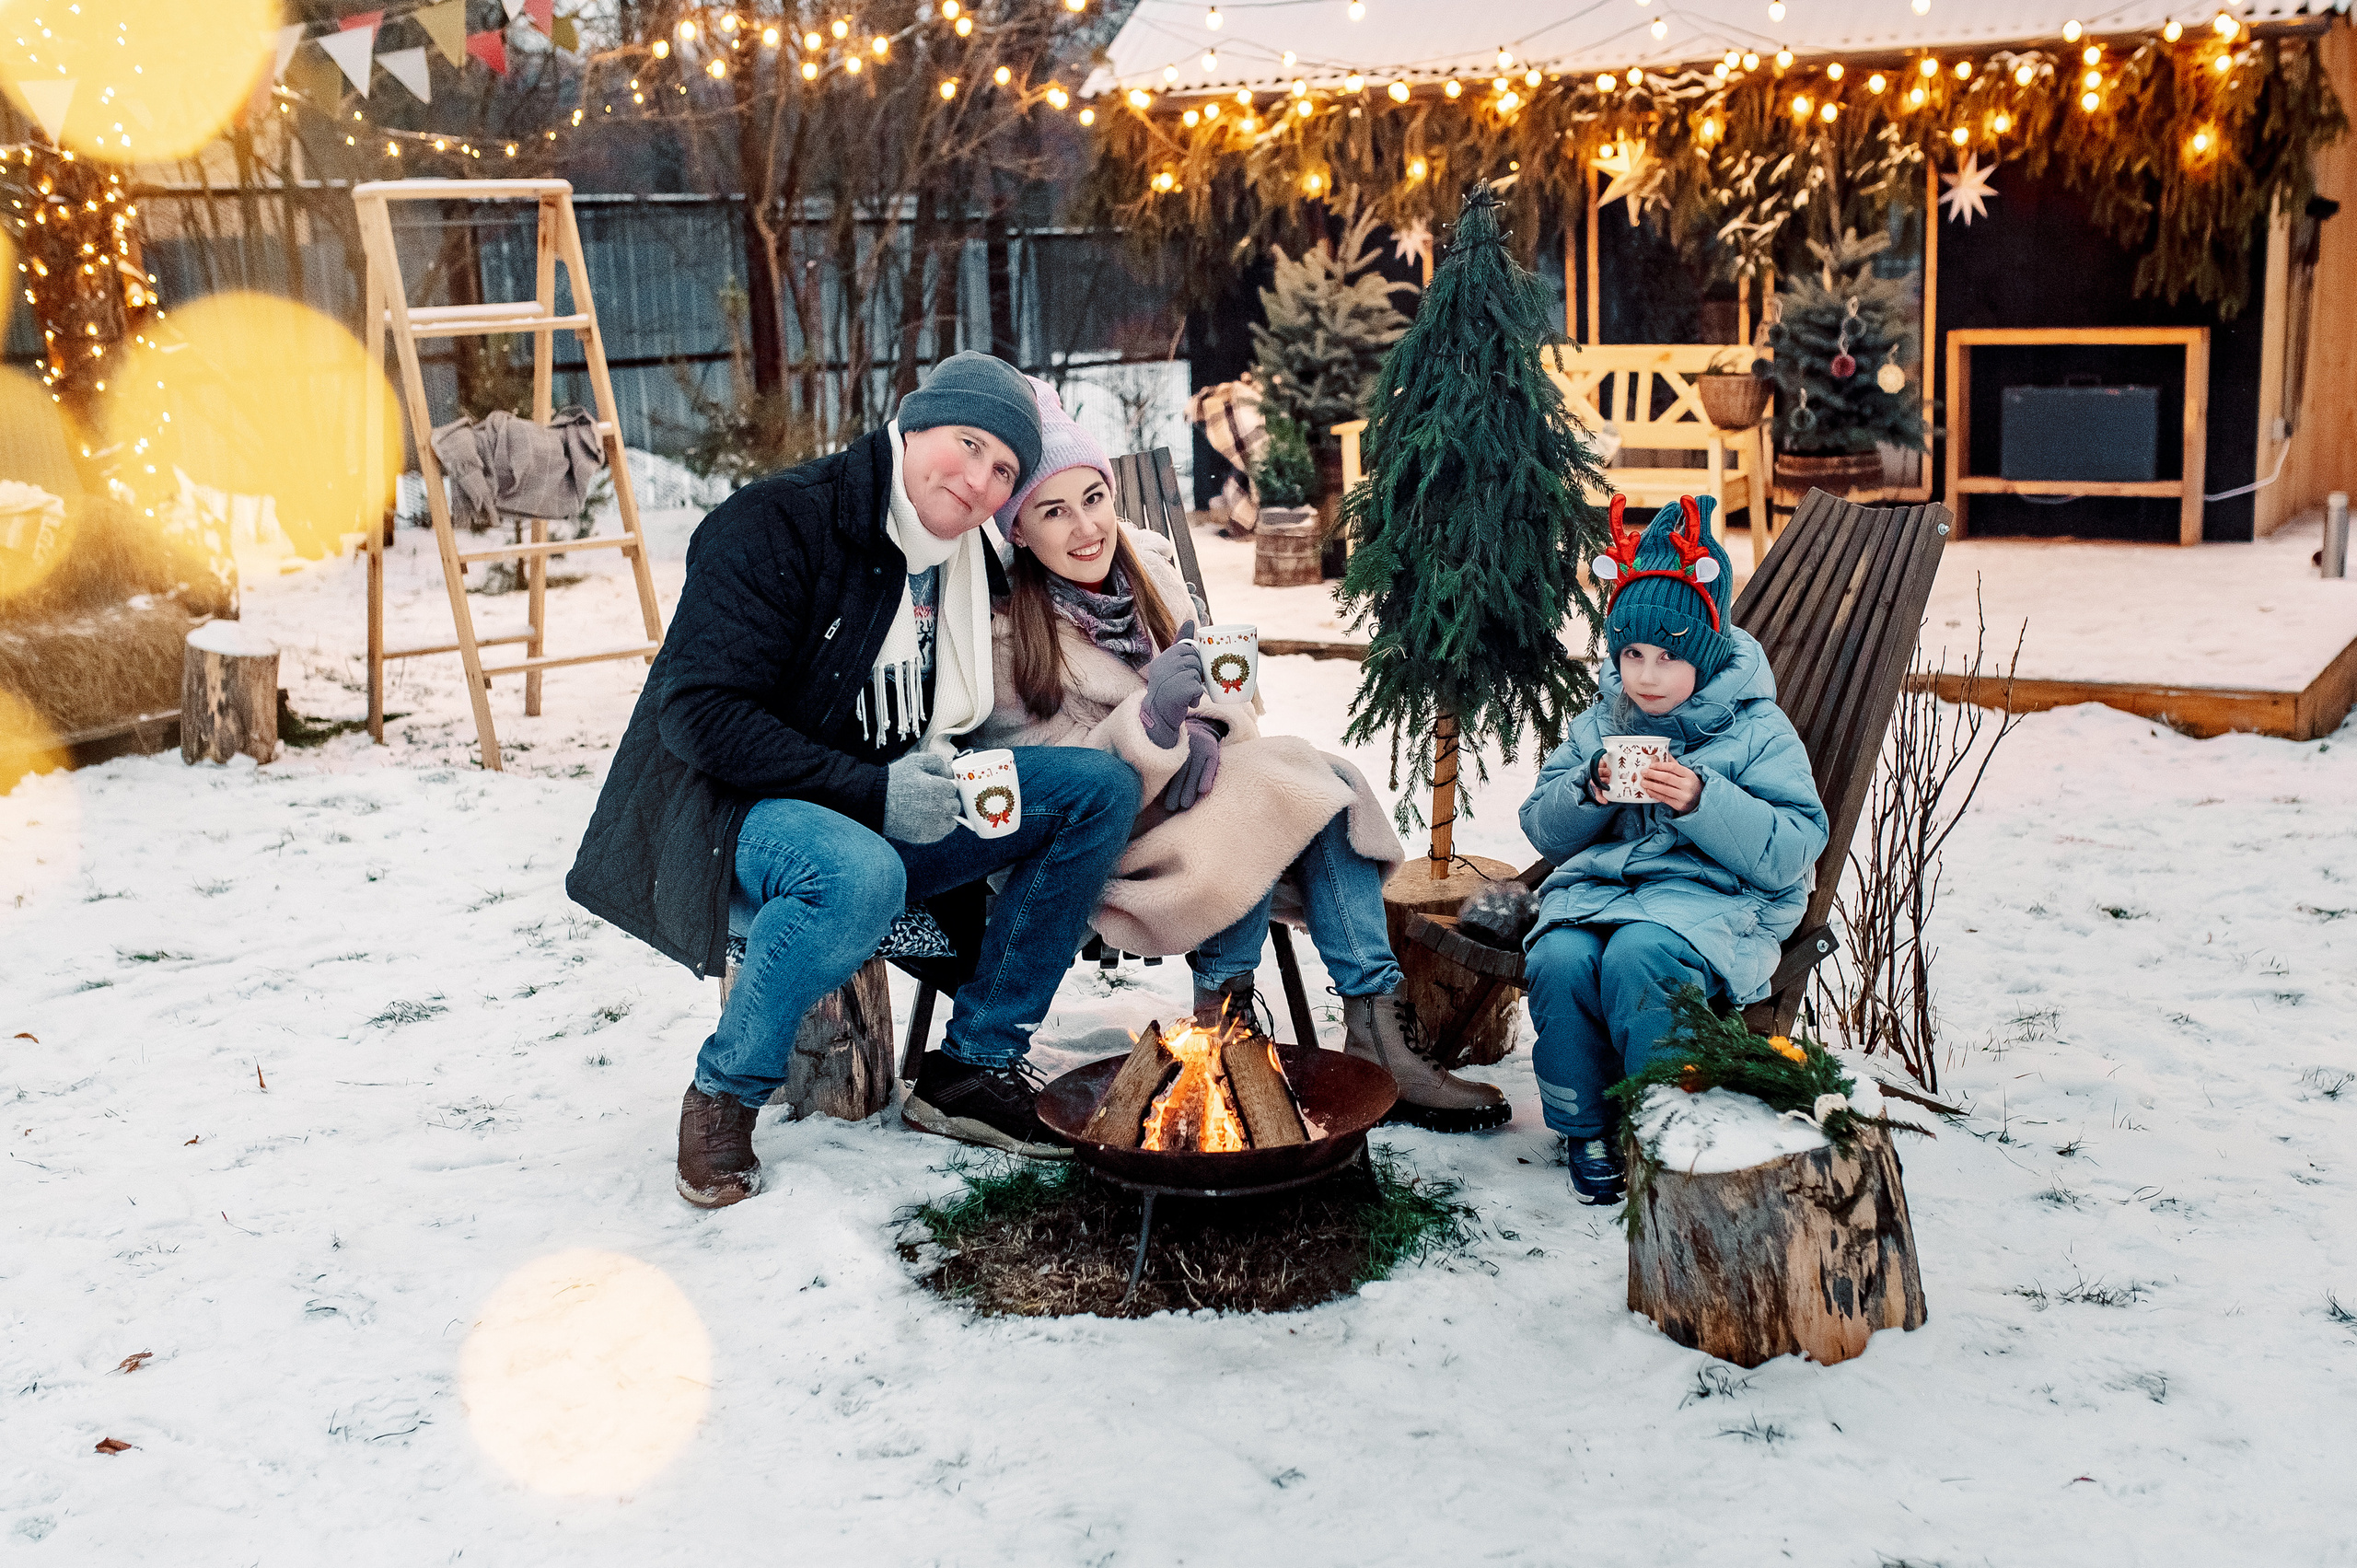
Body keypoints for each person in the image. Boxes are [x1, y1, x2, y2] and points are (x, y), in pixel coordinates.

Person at [568, 352, 1143, 1209]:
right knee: (858, 872)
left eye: (1003, 471)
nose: (980, 481)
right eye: (969, 444)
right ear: (913, 424)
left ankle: (975, 1064)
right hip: (742, 816)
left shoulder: (964, 559)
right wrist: (876, 792)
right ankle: (724, 1091)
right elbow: (697, 716)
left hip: (895, 799)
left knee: (1098, 790)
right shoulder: (778, 523)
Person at [970, 381, 1508, 1132]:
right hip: (1114, 846)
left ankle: (1366, 1023)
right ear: (1021, 530)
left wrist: (1212, 728)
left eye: (1094, 498)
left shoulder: (1152, 571)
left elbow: (1232, 689)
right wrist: (1151, 725)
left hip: (1209, 809)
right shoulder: (1008, 634)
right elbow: (1046, 779)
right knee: (1281, 795)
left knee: (1322, 784)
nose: (1086, 527)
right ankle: (1229, 1024)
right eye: (1053, 511)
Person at [1516, 495, 1829, 1203]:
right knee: (1559, 958)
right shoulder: (1602, 724)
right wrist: (1590, 790)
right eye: (1632, 654)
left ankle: (1661, 1122)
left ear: (1706, 653)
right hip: (1600, 895)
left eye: (1669, 656)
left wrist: (1701, 801)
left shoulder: (1756, 732)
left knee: (1639, 955)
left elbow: (1793, 846)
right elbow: (1540, 826)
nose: (1647, 675)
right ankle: (1585, 1126)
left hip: (1710, 904)